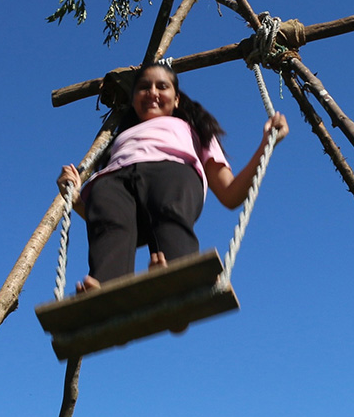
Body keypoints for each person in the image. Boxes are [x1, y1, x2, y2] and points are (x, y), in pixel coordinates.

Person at [57, 60, 288, 293]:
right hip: (114, 180)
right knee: (110, 223)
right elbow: (101, 218)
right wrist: (76, 198)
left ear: (176, 99)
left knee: (169, 211)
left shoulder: (193, 131)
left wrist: (266, 144)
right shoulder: (119, 140)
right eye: (144, 87)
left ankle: (177, 274)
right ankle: (104, 287)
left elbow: (230, 193)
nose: (153, 93)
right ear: (134, 97)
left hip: (172, 173)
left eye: (162, 86)